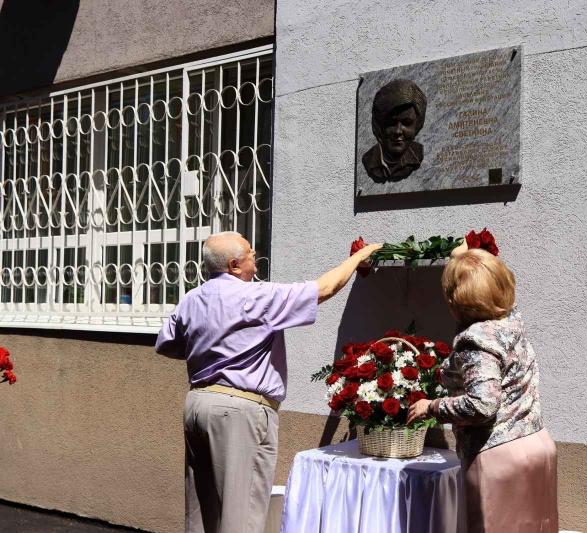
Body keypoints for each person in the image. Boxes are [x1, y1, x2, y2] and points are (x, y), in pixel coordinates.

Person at [155, 231, 381, 533]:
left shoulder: (192, 299)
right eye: (251, 254)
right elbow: (324, 289)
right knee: (242, 516)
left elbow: (167, 344)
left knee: (203, 512)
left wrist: (211, 352)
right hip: (240, 410)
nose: (256, 261)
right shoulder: (255, 296)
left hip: (198, 403)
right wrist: (358, 257)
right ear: (235, 265)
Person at [407, 247, 558, 533]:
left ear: (456, 300)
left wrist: (433, 406)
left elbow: (482, 404)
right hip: (537, 444)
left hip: (500, 457)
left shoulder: (476, 341)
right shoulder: (511, 322)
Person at [362, 78, 427, 182]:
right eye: (391, 123)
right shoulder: (369, 160)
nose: (398, 131)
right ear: (379, 126)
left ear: (418, 125)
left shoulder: (418, 154)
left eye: (407, 123)